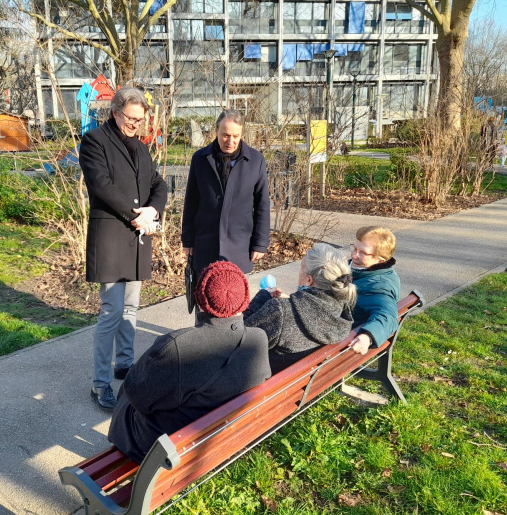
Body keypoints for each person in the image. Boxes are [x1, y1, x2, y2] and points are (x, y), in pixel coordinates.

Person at [108, 260, 271, 463]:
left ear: (200, 301)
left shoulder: (177, 346)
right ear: (244, 300)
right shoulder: (258, 339)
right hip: (222, 437)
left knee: (127, 393)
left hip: (172, 450)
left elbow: (136, 394)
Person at [80, 86, 168, 410]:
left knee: (131, 309)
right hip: (112, 240)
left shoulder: (141, 148)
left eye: (139, 120)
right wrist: (136, 214)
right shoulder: (94, 142)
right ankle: (100, 383)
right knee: (112, 311)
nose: (135, 125)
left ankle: (125, 366)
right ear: (115, 112)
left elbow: (158, 183)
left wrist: (152, 210)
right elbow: (101, 185)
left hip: (137, 239)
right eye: (130, 119)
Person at [181, 109, 271, 281]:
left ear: (242, 133)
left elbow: (262, 204)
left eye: (236, 136)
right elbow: (191, 202)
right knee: (204, 303)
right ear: (216, 131)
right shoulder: (200, 158)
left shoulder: (256, 160)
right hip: (205, 244)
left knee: (234, 304)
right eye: (225, 135)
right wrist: (187, 240)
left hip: (239, 246)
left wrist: (260, 243)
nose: (231, 141)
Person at [243, 244, 356, 374]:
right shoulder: (342, 306)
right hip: (307, 381)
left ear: (309, 280)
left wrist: (262, 298)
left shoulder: (280, 311)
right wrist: (290, 302)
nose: (299, 272)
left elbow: (240, 341)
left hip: (268, 385)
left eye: (302, 268)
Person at [348, 226, 400, 355]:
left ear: (380, 259)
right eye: (354, 248)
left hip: (340, 342)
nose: (354, 255)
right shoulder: (360, 271)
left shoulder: (378, 285)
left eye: (362, 253)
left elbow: (387, 315)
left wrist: (367, 336)